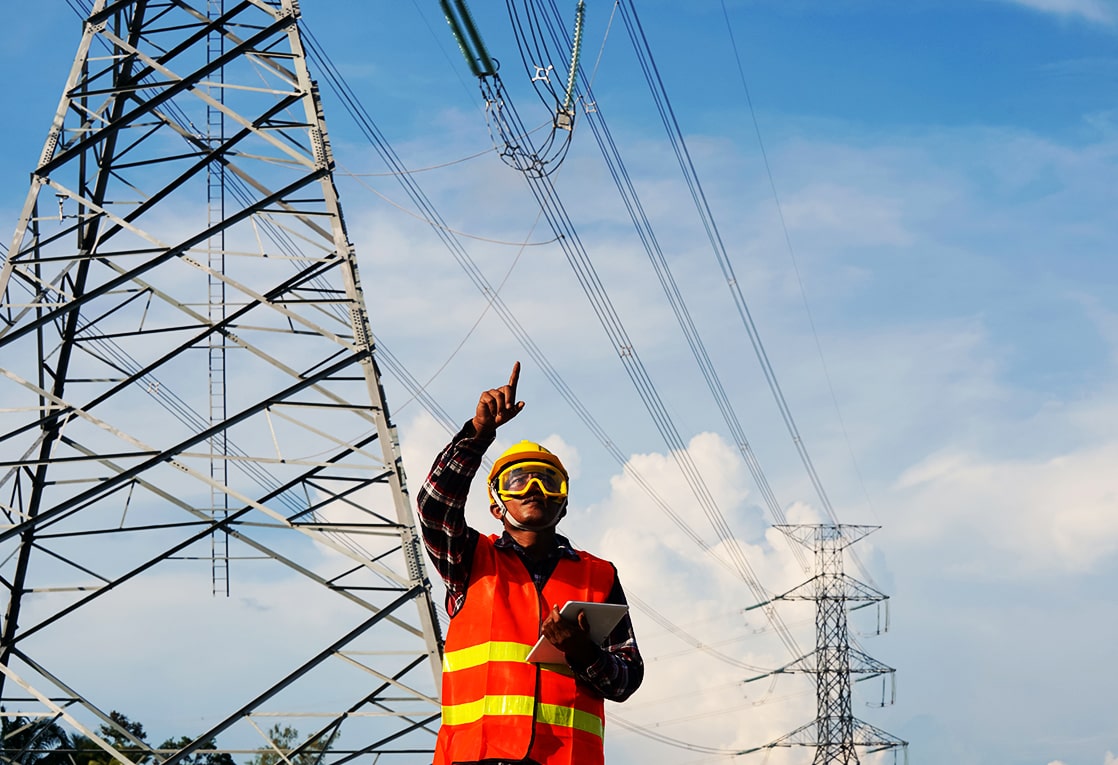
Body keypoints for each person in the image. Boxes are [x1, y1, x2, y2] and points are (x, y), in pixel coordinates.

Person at [416, 361, 643, 765]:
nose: (534, 490)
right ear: (496, 503)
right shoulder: (469, 561)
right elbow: (434, 507)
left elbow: (627, 679)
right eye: (518, 481)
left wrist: (583, 653)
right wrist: (478, 436)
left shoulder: (599, 576)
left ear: (564, 502)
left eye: (548, 482)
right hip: (476, 759)